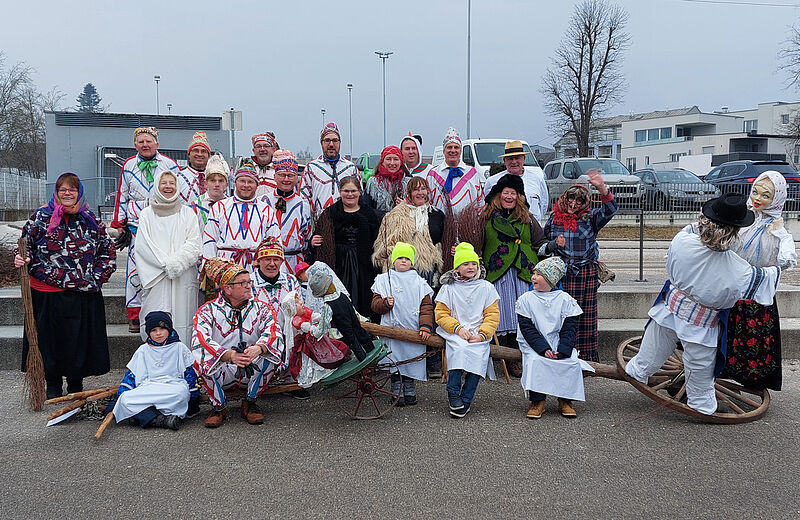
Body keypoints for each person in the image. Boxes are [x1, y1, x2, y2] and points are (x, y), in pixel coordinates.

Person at [625, 194, 781, 415]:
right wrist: (781, 262)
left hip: (669, 309)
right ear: (735, 231)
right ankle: (701, 404)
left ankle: (639, 370)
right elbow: (766, 278)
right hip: (700, 325)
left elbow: (688, 233)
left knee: (651, 352)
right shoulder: (740, 270)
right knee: (700, 370)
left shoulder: (682, 241)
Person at [16, 172, 116, 398]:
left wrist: (97, 277)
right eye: (63, 189)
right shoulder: (41, 216)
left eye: (72, 189)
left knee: (76, 342)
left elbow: (107, 252)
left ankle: (75, 385)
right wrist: (22, 257)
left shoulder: (90, 219)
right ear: (57, 192)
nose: (67, 193)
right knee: (49, 341)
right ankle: (51, 384)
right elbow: (25, 245)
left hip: (82, 293)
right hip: (47, 291)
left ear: (79, 192)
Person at [725, 171, 797, 390]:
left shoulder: (779, 232)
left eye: (765, 195)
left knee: (752, 338)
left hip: (757, 296)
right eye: (755, 191)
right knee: (725, 332)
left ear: (776, 199)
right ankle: (718, 370)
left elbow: (786, 258)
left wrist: (779, 239)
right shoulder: (743, 220)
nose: (757, 198)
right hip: (733, 288)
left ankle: (752, 380)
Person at [193, 258, 284, 427]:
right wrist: (228, 355)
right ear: (227, 288)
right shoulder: (207, 311)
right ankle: (219, 407)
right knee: (200, 357)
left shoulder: (261, 308)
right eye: (243, 283)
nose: (249, 285)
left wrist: (259, 348)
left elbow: (274, 330)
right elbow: (200, 340)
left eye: (249, 281)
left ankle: (250, 402)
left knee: (271, 354)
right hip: (222, 370)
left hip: (252, 368)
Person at [479, 174, 555, 377]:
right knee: (500, 315)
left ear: (519, 197)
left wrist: (553, 247)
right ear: (498, 195)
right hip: (498, 274)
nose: (510, 196)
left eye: (513, 193)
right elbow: (478, 244)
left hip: (523, 273)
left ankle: (514, 358)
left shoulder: (527, 218)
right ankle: (501, 354)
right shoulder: (485, 218)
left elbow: (540, 243)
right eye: (506, 192)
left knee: (520, 317)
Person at [112, 127, 181, 332]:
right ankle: (135, 312)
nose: (145, 145)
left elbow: (178, 192)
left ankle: (165, 310)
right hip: (136, 225)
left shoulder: (169, 165)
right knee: (135, 270)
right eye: (141, 141)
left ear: (156, 144)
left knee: (161, 269)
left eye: (148, 141)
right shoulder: (129, 165)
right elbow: (122, 195)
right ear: (135, 145)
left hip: (163, 222)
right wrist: (120, 224)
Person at [543, 169, 617, 362]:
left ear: (585, 203)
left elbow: (610, 209)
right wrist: (553, 245)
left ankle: (586, 358)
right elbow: (543, 244)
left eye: (579, 202)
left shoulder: (591, 218)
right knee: (564, 316)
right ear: (565, 198)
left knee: (586, 317)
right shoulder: (554, 218)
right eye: (570, 200)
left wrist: (601, 188)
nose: (573, 205)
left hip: (586, 273)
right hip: (563, 273)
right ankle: (565, 354)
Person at [517, 257, 594, 419]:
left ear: (551, 279)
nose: (533, 277)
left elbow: (569, 328)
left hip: (558, 342)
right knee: (535, 362)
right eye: (534, 273)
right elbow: (527, 328)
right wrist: (542, 348)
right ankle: (538, 401)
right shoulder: (526, 299)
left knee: (570, 362)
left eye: (539, 275)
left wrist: (563, 349)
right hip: (534, 343)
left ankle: (565, 399)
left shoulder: (565, 300)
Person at [134, 170, 202, 342]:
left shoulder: (187, 213)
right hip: (157, 277)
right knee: (157, 320)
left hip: (183, 276)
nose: (168, 186)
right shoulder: (147, 214)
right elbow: (143, 246)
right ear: (157, 186)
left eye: (172, 183)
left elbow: (194, 244)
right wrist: (166, 265)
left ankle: (184, 362)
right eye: (164, 183)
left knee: (184, 320)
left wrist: (177, 263)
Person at [435, 242, 499, 418]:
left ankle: (467, 396)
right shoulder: (449, 288)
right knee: (459, 352)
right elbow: (441, 314)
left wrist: (482, 334)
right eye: (465, 264)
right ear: (457, 267)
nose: (470, 267)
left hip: (479, 333)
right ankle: (453, 393)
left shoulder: (486, 287)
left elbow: (492, 315)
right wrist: (457, 328)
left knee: (478, 357)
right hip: (456, 331)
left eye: (473, 264)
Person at [108, 311, 199, 430]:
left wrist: (194, 396)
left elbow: (189, 373)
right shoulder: (143, 350)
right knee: (125, 400)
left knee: (180, 396)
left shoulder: (179, 347)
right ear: (148, 332)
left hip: (173, 386)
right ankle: (161, 419)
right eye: (153, 330)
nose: (158, 333)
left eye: (162, 329)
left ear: (169, 329)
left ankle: (141, 416)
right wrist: (120, 396)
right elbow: (132, 375)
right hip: (148, 387)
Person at [371, 242, 434, 406]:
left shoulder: (419, 282)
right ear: (393, 260)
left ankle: (410, 388)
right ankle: (396, 388)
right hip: (392, 329)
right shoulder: (384, 280)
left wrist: (425, 326)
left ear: (412, 262)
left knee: (411, 359)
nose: (403, 261)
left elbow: (426, 307)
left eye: (407, 258)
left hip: (412, 328)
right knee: (395, 360)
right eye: (400, 258)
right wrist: (385, 303)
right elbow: (375, 305)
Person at [311, 175, 380, 319]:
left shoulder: (369, 214)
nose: (350, 194)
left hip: (364, 265)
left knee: (363, 298)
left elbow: (377, 241)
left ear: (360, 192)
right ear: (340, 192)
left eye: (353, 191)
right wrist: (313, 241)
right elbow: (320, 240)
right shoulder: (329, 213)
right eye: (346, 191)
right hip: (338, 264)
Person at [249, 237, 308, 400]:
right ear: (259, 261)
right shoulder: (249, 281)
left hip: (286, 330)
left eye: (276, 259)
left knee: (299, 328)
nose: (272, 264)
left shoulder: (290, 280)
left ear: (282, 261)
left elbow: (299, 305)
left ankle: (291, 380)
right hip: (260, 333)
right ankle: (259, 381)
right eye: (267, 259)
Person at [202, 161, 279, 274]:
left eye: (250, 182)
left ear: (257, 185)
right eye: (242, 181)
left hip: (256, 268)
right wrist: (211, 271)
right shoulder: (220, 207)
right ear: (235, 183)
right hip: (225, 266)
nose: (246, 185)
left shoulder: (266, 210)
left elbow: (275, 243)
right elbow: (210, 240)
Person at [372, 176, 445, 287]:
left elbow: (442, 240)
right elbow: (384, 244)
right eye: (416, 190)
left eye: (423, 189)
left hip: (427, 269)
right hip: (401, 270)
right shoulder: (396, 215)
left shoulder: (437, 214)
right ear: (409, 193)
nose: (420, 193)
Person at [307, 262, 376, 362]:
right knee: (359, 330)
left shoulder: (328, 306)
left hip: (345, 327)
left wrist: (313, 331)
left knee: (351, 339)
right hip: (354, 322)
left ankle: (362, 357)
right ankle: (369, 347)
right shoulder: (342, 295)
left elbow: (323, 326)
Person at [281, 290, 350, 387]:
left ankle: (336, 361)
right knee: (312, 358)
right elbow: (310, 329)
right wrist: (319, 326)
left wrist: (325, 317)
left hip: (312, 339)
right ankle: (320, 371)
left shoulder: (304, 311)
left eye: (299, 299)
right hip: (306, 343)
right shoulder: (297, 320)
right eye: (296, 303)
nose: (301, 302)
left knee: (332, 344)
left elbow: (315, 316)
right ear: (292, 309)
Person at [263, 149, 312, 272]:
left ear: (296, 178)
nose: (286, 179)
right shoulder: (263, 202)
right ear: (274, 177)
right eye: (282, 175)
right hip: (268, 262)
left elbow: (307, 236)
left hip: (295, 262)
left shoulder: (303, 205)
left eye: (290, 176)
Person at [483, 140, 549, 222]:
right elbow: (487, 206)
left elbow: (543, 204)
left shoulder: (537, 178)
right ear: (504, 161)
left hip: (532, 230)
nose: (514, 162)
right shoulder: (492, 181)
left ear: (524, 159)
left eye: (517, 158)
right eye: (510, 159)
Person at [302, 122, 359, 217]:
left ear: (340, 143)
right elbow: (304, 199)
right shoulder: (311, 168)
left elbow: (359, 198)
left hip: (347, 223)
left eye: (335, 140)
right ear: (321, 143)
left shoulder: (350, 168)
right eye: (327, 140)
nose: (331, 144)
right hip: (320, 223)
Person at [427, 127, 483, 218]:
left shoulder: (472, 173)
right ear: (444, 151)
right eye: (449, 147)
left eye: (456, 147)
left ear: (460, 151)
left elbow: (480, 202)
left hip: (466, 225)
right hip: (441, 226)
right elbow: (427, 201)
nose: (453, 150)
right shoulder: (433, 174)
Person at [363, 145, 408, 217]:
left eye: (396, 159)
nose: (392, 163)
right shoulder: (373, 183)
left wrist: (406, 206)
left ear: (401, 162)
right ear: (382, 161)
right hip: (380, 225)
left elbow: (418, 208)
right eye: (388, 159)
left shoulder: (408, 183)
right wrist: (386, 215)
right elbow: (366, 208)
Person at [191, 153, 230, 232]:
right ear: (205, 183)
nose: (217, 184)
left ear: (226, 184)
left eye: (221, 181)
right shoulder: (195, 207)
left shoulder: (231, 205)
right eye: (212, 181)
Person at [178, 131, 211, 204]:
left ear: (208, 156)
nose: (199, 154)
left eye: (203, 151)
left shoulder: (216, 178)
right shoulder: (178, 178)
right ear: (189, 154)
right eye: (196, 150)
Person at [250, 132, 279, 197]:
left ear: (273, 149)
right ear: (253, 151)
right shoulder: (248, 169)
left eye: (266, 146)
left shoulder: (279, 169)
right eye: (258, 146)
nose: (262, 149)